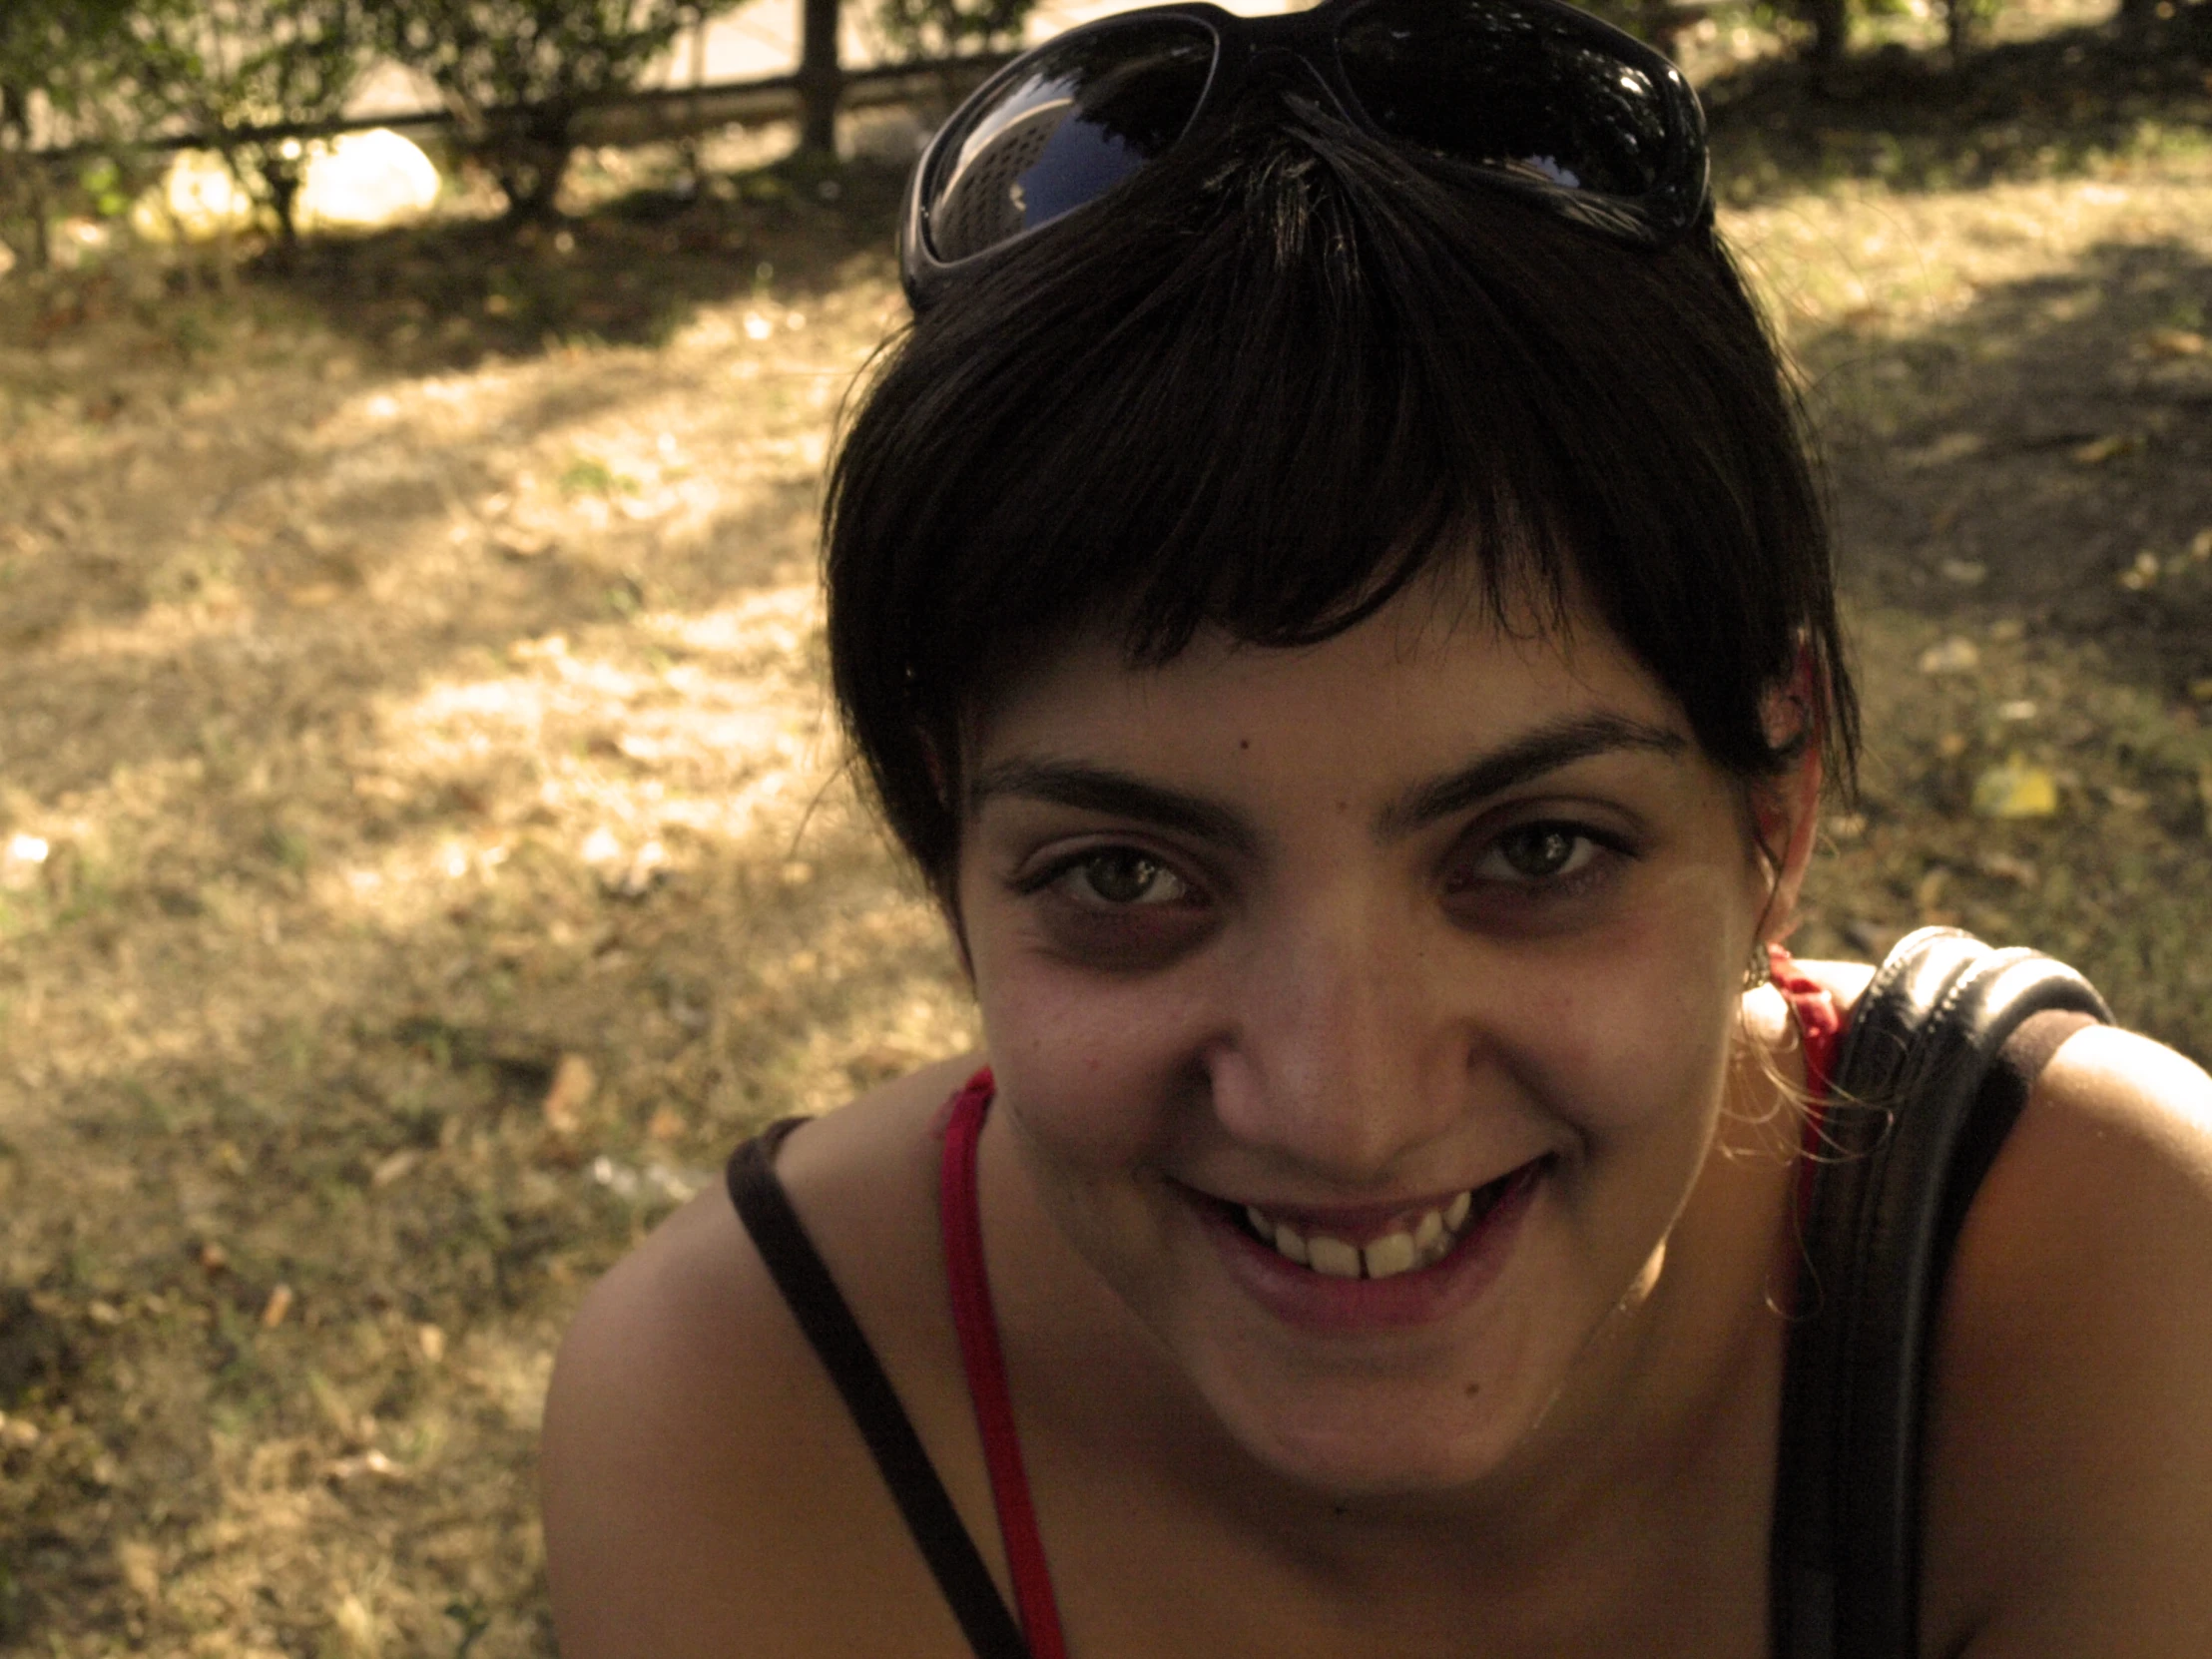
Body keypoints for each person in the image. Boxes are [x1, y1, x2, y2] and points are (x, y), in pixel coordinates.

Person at [540, 2, 2212, 1653]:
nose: (1343, 1109)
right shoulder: (756, 1412)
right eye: (1124, 876)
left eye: (1538, 850)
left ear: (1776, 802)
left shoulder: (2112, 1297)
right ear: (953, 855)